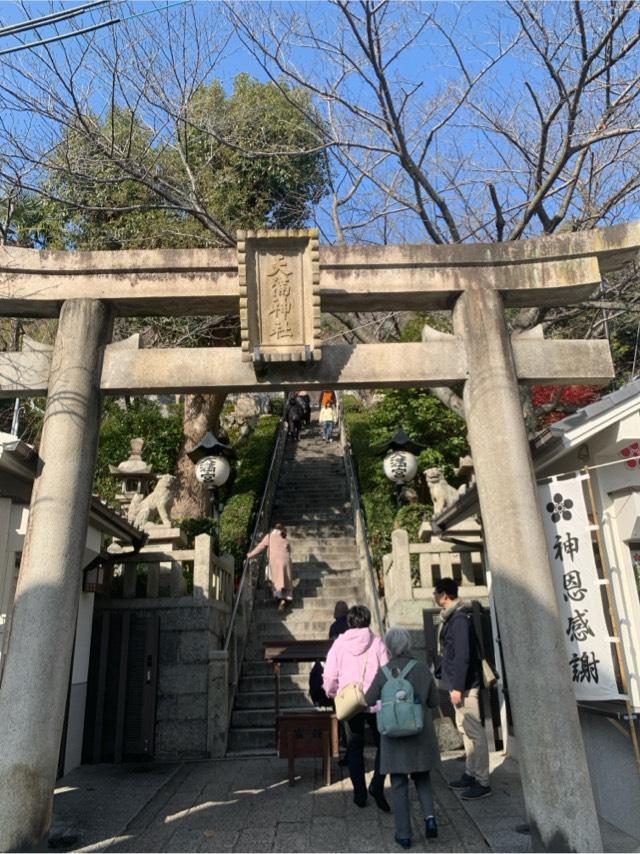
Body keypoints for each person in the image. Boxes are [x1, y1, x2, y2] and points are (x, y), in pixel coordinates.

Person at [365, 627, 441, 848]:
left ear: (388, 648)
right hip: (420, 733)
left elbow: (369, 699)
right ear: (407, 645)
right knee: (422, 777)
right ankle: (430, 819)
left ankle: (404, 834)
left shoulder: (384, 672)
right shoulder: (422, 670)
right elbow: (434, 701)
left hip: (394, 736)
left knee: (398, 783)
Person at [323, 605, 390, 810]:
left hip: (350, 702)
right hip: (375, 700)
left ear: (350, 622)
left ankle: (359, 794)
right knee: (384, 745)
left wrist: (333, 693)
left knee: (354, 748)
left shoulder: (339, 644)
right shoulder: (377, 642)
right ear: (368, 620)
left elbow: (330, 676)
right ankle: (377, 783)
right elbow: (386, 672)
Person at [433, 578, 491, 800]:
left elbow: (463, 656)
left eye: (436, 593)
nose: (434, 597)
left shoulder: (458, 619)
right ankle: (470, 772)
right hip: (458, 685)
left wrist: (458, 687)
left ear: (444, 595)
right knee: (465, 730)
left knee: (475, 733)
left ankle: (483, 780)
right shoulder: (452, 617)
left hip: (465, 686)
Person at [247, 522, 293, 611]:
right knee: (285, 578)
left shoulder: (269, 536)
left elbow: (260, 547)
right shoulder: (285, 539)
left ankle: (280, 598)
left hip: (276, 560)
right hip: (287, 560)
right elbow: (289, 550)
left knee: (275, 579)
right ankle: (286, 597)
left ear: (274, 529)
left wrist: (250, 554)